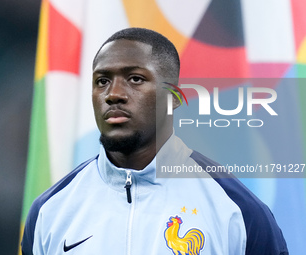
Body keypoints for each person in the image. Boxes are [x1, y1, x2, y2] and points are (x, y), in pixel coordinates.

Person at [21, 28, 288, 255]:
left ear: (173, 99)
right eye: (102, 81)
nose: (113, 94)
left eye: (135, 79)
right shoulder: (50, 211)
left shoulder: (238, 211)